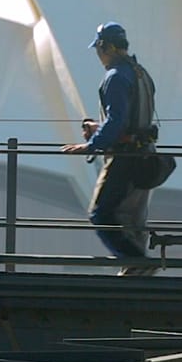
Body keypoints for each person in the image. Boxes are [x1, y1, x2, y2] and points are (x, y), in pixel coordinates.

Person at [61, 22, 161, 276]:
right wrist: (99, 128)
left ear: (107, 47)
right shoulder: (141, 73)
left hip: (125, 158)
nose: (98, 55)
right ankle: (137, 273)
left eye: (99, 49)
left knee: (101, 213)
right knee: (132, 220)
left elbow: (117, 122)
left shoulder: (115, 76)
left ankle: (138, 264)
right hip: (146, 154)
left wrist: (91, 146)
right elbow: (132, 119)